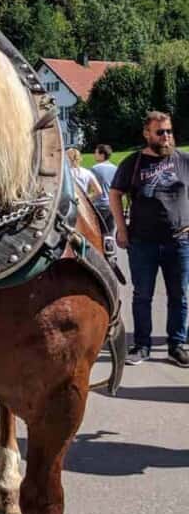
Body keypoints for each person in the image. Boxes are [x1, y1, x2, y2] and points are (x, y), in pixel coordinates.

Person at [109, 111, 189, 368]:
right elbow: (115, 194)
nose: (166, 137)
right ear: (147, 134)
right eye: (160, 132)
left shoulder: (183, 161)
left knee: (180, 295)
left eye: (169, 131)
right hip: (143, 242)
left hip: (180, 240)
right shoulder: (133, 164)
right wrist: (121, 229)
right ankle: (141, 345)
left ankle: (176, 345)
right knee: (143, 295)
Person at [91, 143, 118, 233]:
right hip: (112, 205)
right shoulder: (115, 168)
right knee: (110, 232)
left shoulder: (95, 169)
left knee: (98, 232)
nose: (94, 155)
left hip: (99, 204)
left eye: (96, 153)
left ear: (102, 155)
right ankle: (110, 247)